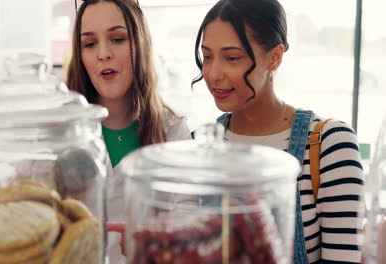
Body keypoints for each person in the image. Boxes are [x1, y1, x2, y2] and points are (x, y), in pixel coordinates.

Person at [191, 0, 365, 263]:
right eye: (207, 56)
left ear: (275, 57)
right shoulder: (197, 147)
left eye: (232, 58)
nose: (213, 73)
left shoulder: (329, 144)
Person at [67, 0, 191, 262]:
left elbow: (188, 235)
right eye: (90, 44)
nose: (103, 54)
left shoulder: (173, 131)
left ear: (140, 43)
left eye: (118, 39)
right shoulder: (61, 135)